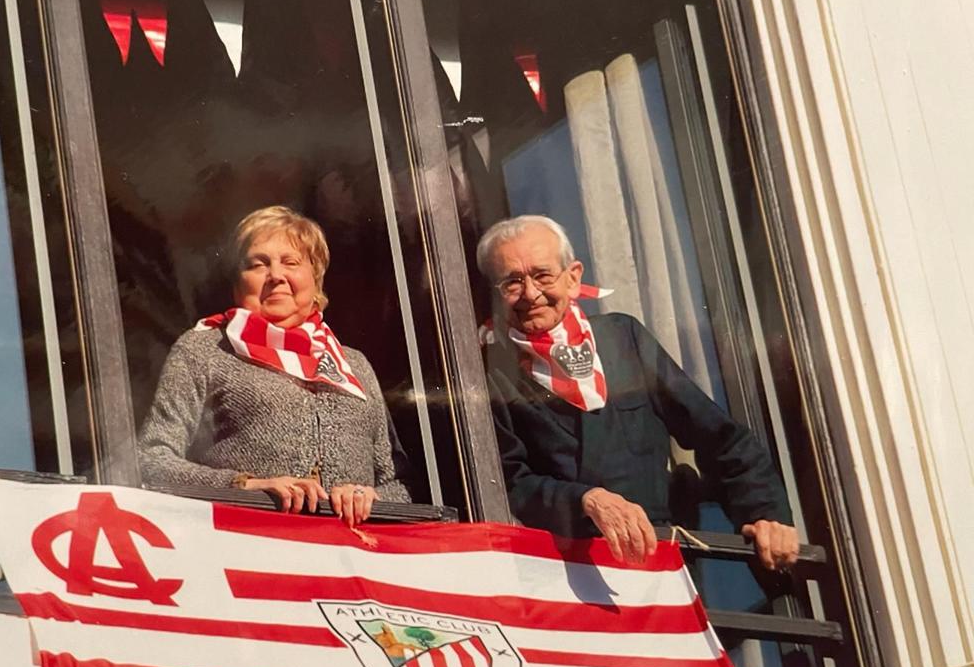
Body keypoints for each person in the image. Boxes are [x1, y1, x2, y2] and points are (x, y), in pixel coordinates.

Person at [476, 215, 798, 570]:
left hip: (659, 560)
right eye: (512, 282)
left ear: (573, 278)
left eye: (542, 275)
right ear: (495, 296)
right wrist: (586, 500)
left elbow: (721, 438)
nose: (531, 293)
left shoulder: (621, 338)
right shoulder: (493, 377)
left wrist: (767, 516)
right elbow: (510, 485)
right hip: (568, 571)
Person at [139, 205, 409, 526]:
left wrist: (369, 497)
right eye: (258, 264)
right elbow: (151, 459)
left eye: (291, 263)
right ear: (238, 283)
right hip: (253, 550)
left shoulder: (353, 364)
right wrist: (245, 486)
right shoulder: (204, 349)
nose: (276, 276)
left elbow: (398, 483)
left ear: (316, 278)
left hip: (353, 558)